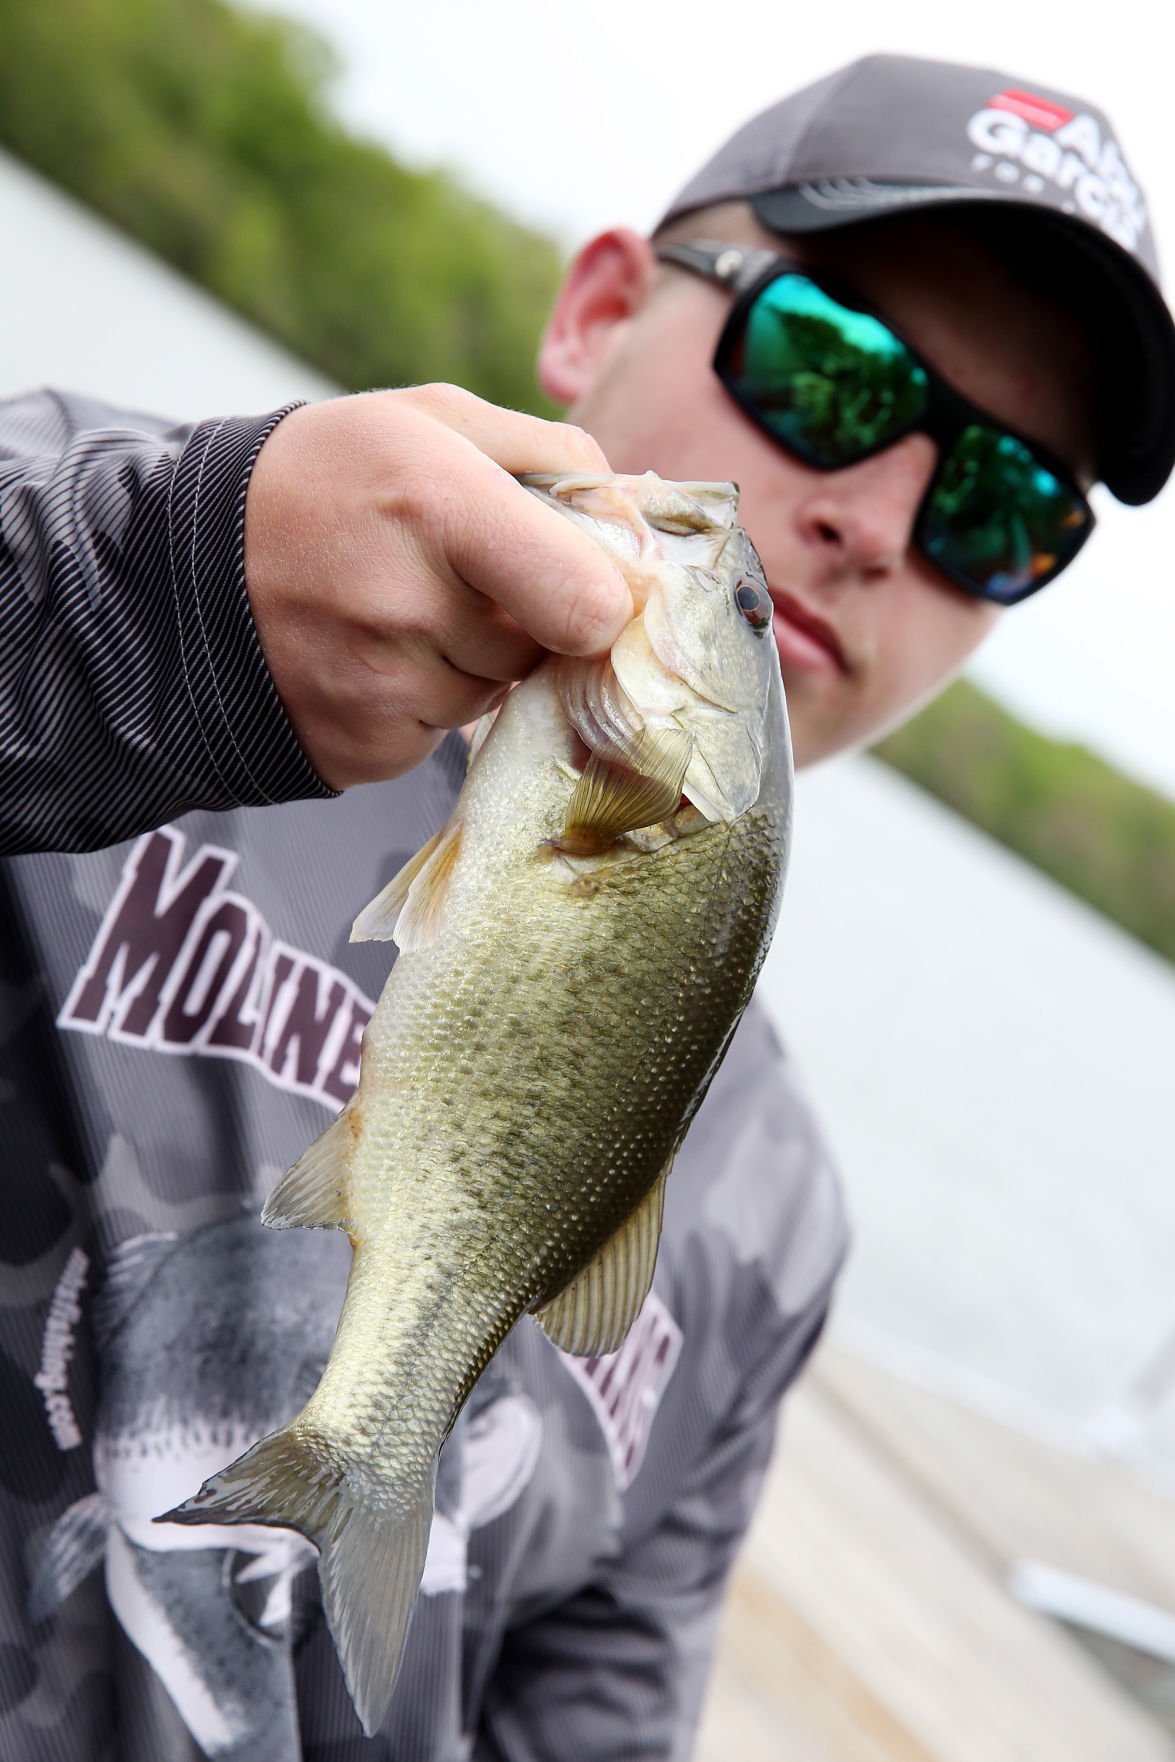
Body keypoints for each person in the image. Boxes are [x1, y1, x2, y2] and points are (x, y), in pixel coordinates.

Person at [0, 49, 1171, 1762]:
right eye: (832, 372)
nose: (881, 518)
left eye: (1007, 509)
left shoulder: (776, 1214)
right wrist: (165, 602)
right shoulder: (115, 540)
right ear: (597, 310)